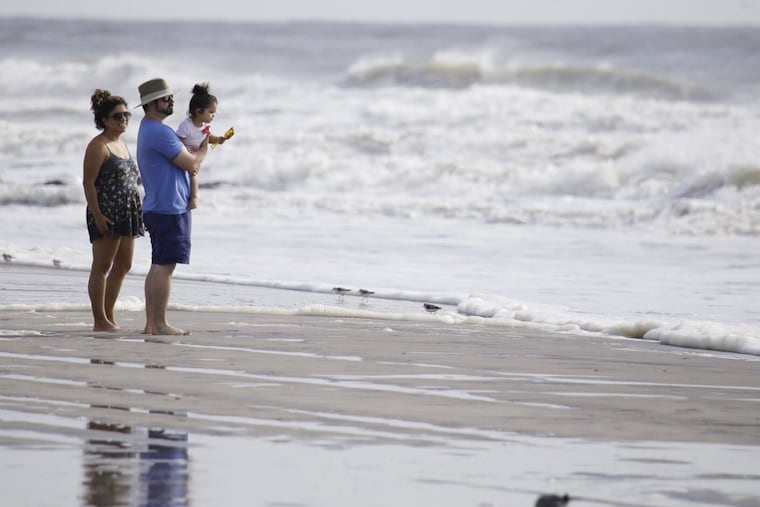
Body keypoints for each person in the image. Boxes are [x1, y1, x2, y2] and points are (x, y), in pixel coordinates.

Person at [135, 78, 208, 335]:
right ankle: (158, 324)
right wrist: (203, 150)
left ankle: (152, 323)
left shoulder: (149, 129)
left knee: (159, 264)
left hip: (160, 204)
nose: (171, 101)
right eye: (166, 98)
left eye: (170, 97)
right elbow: (190, 163)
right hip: (169, 206)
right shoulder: (160, 131)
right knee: (165, 267)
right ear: (151, 104)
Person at [82, 89, 145, 331]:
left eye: (126, 115)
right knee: (102, 266)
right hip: (106, 212)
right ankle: (100, 321)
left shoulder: (122, 144)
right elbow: (88, 182)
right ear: (105, 119)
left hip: (127, 213)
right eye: (118, 116)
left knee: (124, 265)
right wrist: (97, 214)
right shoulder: (98, 146)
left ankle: (108, 316)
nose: (124, 120)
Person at [176, 82, 228, 210]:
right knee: (187, 174)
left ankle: (193, 197)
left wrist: (219, 139)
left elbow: (208, 138)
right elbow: (177, 140)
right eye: (211, 112)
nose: (213, 115)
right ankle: (188, 197)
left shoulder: (205, 127)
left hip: (195, 157)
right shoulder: (186, 125)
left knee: (193, 174)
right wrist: (185, 150)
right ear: (199, 111)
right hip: (184, 156)